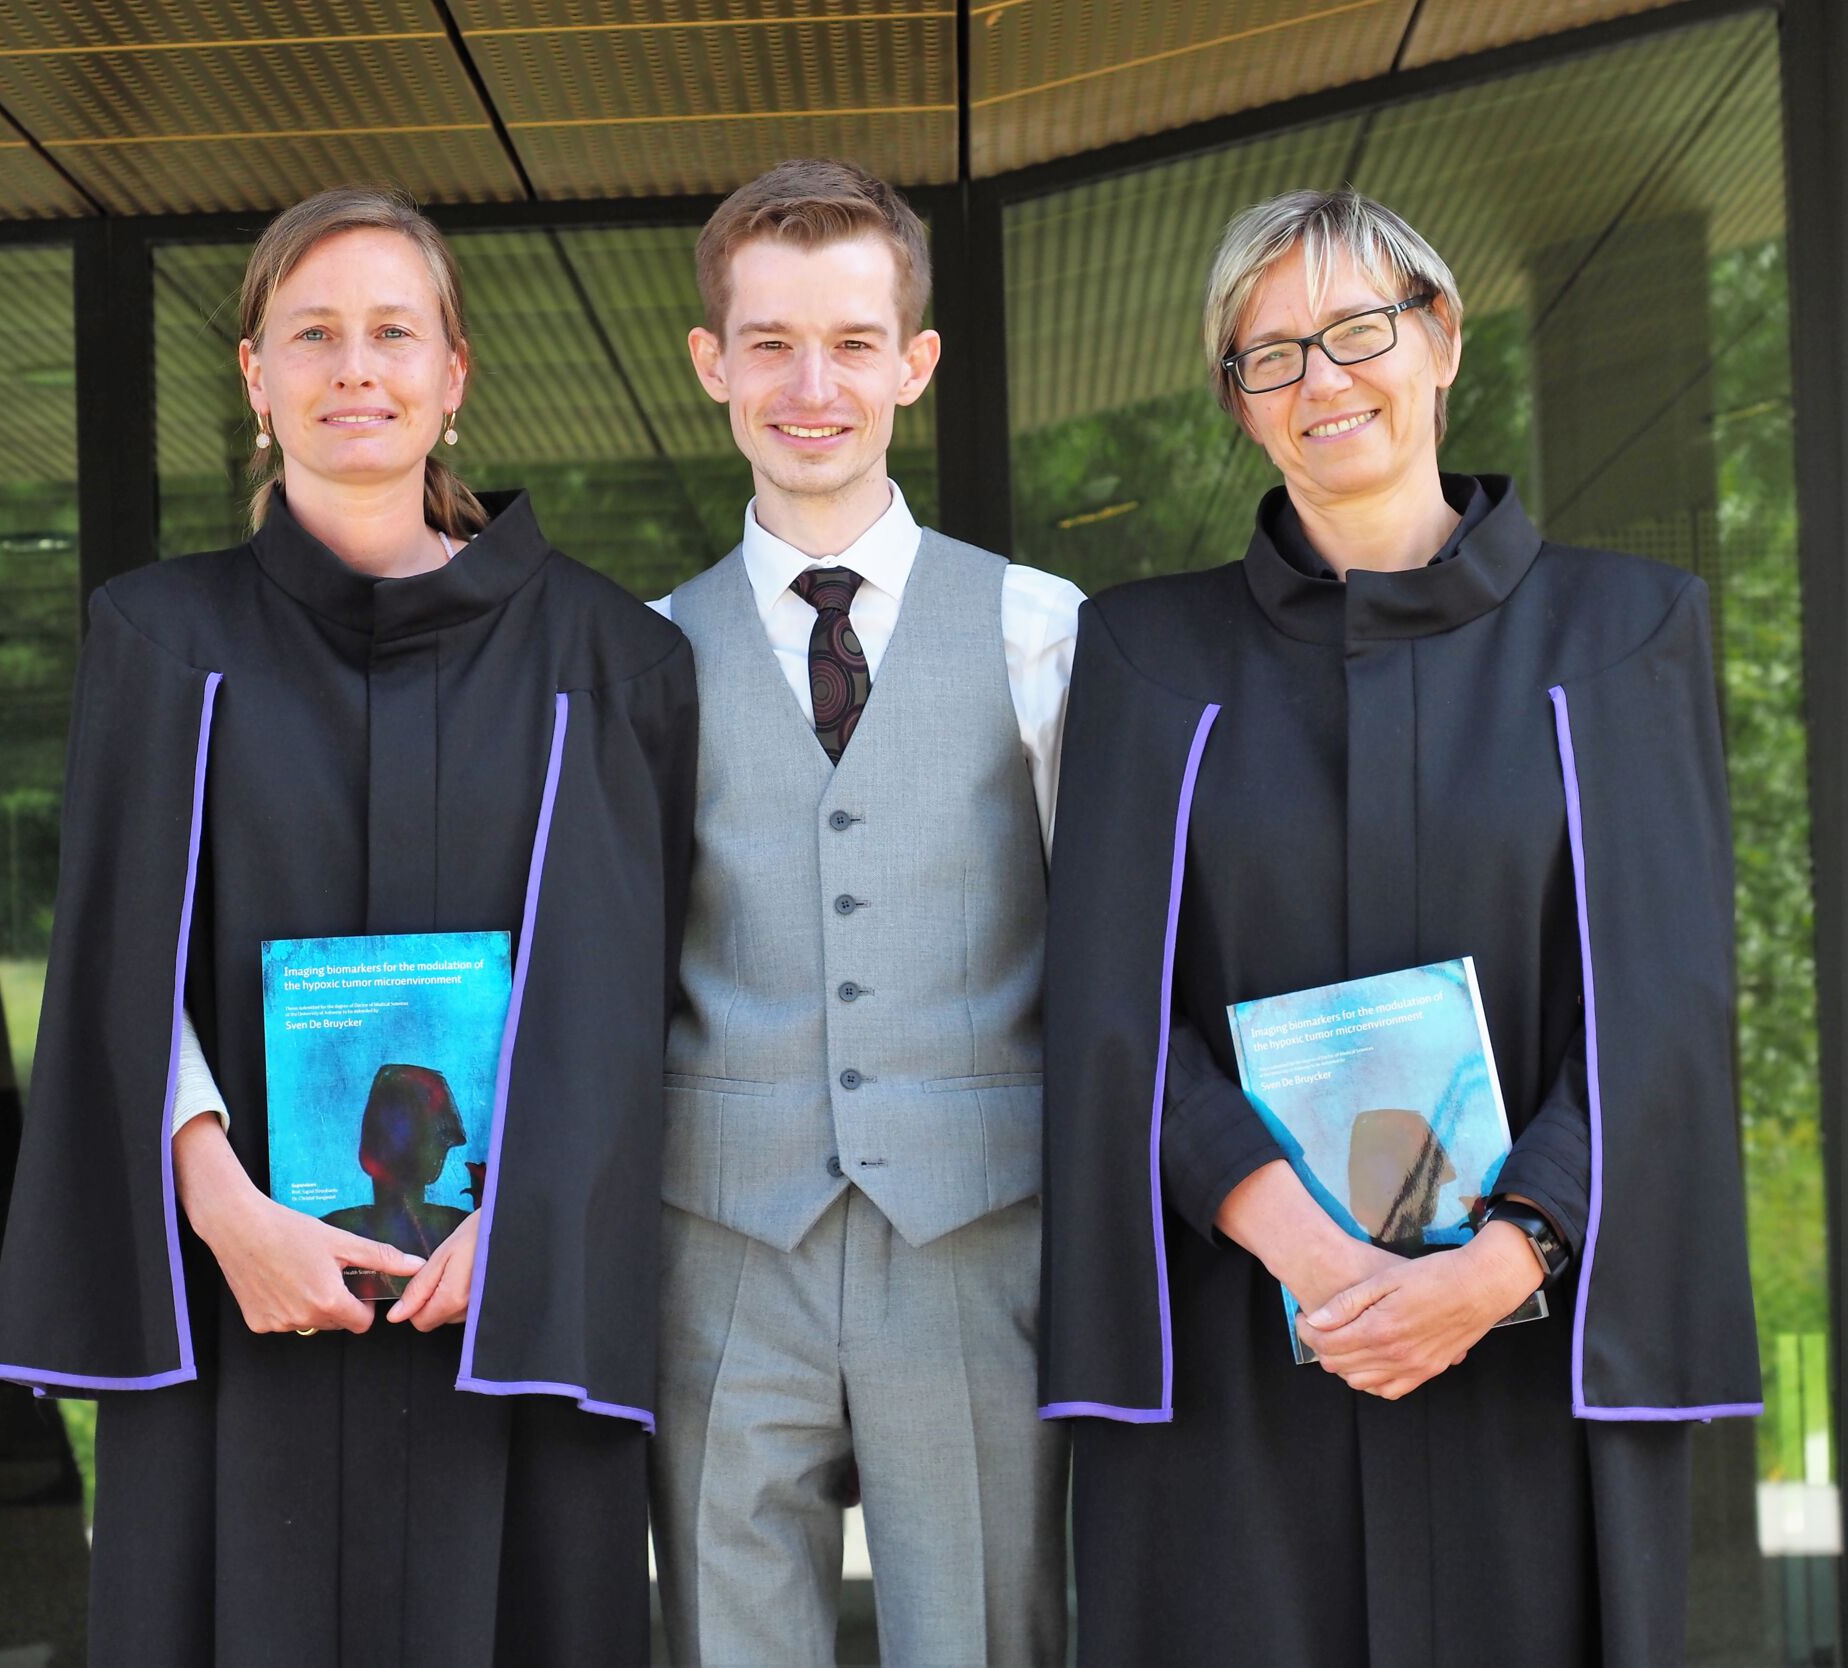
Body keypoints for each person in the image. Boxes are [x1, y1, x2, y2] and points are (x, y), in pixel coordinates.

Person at [1040, 187, 1762, 1667]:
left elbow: (1666, 999)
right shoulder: (1144, 653)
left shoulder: (1626, 635)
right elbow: (1107, 1005)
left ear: (1439, 338)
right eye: (1271, 354)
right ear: (1237, 402)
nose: (1323, 381)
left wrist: (1507, 1258)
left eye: (1358, 329)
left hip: (1533, 1344)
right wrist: (1313, 1253)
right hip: (1243, 1338)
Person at [0, 186, 696, 1667]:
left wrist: (532, 1224)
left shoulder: (613, 661)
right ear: (255, 378)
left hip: (508, 1312)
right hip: (249, 1309)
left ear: (455, 375)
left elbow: (631, 1000)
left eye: (392, 332)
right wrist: (224, 1211)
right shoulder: (159, 644)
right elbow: (120, 975)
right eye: (312, 333)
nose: (354, 367)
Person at [646, 159, 1080, 1667]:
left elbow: (1116, 954)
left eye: (849, 340)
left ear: (916, 360)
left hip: (972, 1235)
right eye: (767, 342)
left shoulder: (1043, 630)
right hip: (716, 1241)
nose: (809, 383)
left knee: (980, 1636)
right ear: (712, 365)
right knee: (725, 1638)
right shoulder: (639, 659)